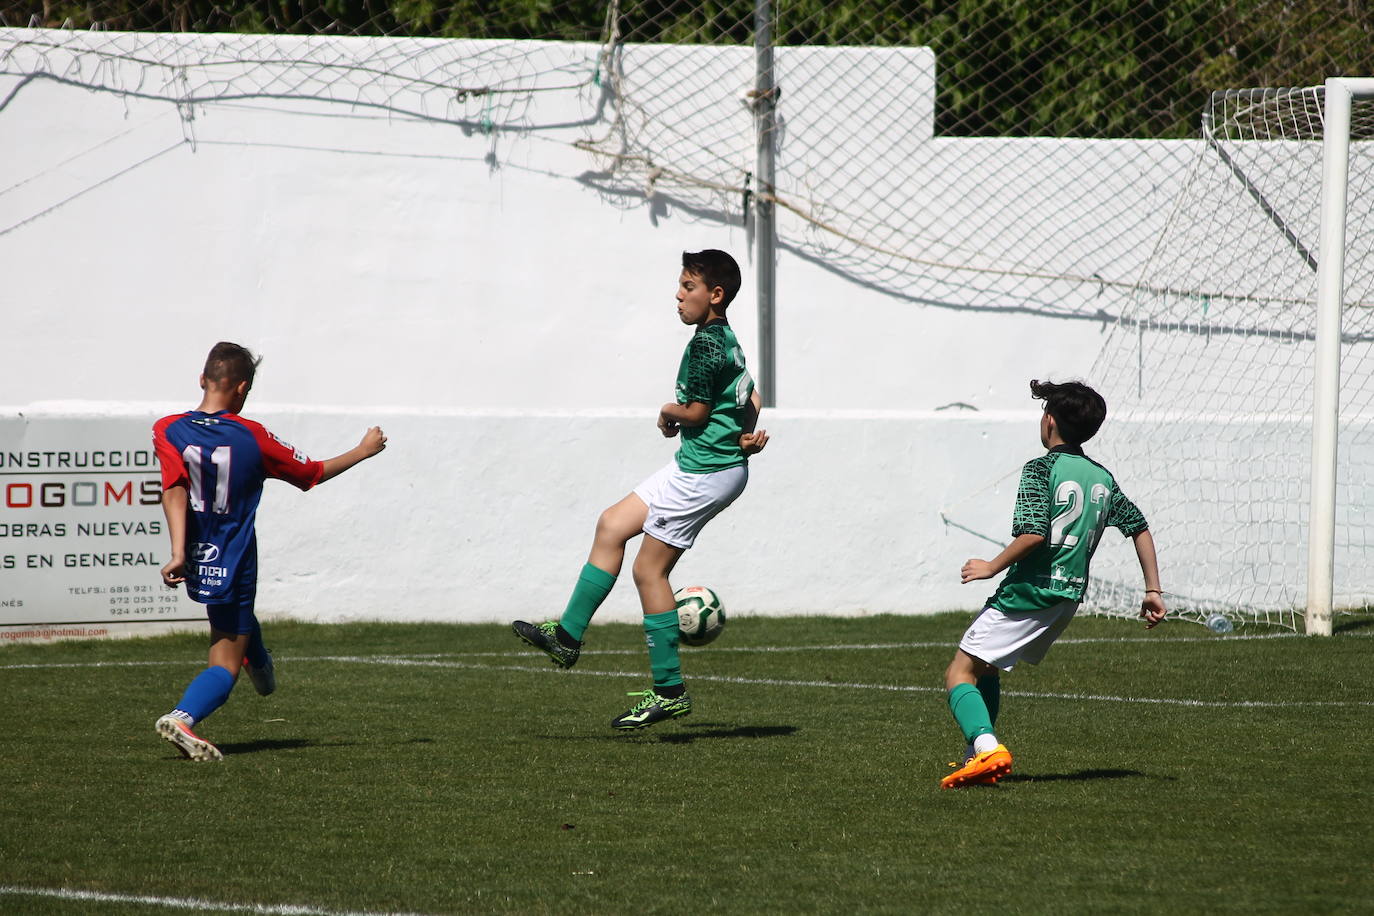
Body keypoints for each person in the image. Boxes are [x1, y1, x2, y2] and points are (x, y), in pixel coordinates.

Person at [512, 249, 769, 730]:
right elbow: (749, 395)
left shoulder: (704, 346)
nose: (678, 295)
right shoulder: (725, 339)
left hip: (704, 475)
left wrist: (668, 412)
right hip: (698, 463)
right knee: (611, 524)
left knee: (649, 570)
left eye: (688, 287)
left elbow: (692, 413)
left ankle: (669, 691)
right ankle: (567, 637)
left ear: (714, 295)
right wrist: (746, 431)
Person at [151, 341, 387, 761]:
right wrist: (362, 451)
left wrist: (177, 551)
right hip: (235, 555)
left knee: (236, 621)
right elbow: (312, 473)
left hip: (195, 552)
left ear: (202, 380)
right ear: (241, 388)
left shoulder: (167, 428)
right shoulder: (252, 436)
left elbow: (173, 488)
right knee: (224, 661)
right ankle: (184, 716)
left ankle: (260, 666)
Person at [940, 378, 1166, 788]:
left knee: (959, 671)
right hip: (1068, 596)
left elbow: (1034, 534)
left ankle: (988, 747)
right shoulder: (1101, 477)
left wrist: (991, 566)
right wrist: (1153, 590)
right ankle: (977, 758)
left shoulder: (1041, 469)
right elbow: (1139, 527)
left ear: (1048, 423)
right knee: (986, 668)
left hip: (1030, 589)